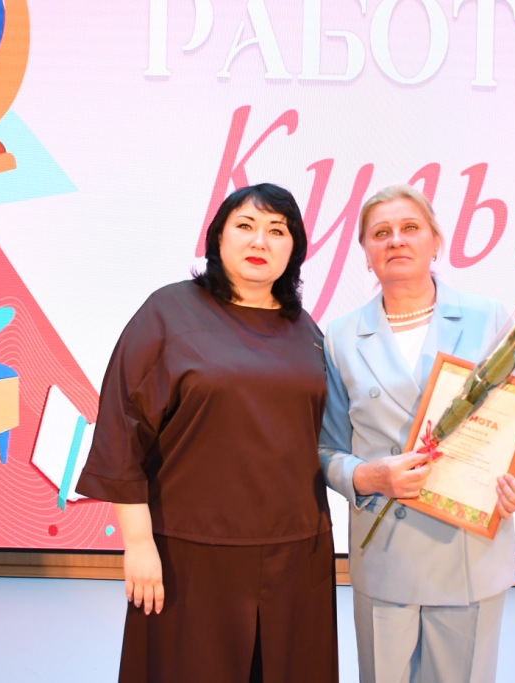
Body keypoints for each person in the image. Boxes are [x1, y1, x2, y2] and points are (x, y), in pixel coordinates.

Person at [76, 183, 337, 683]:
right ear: (218, 237)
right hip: (188, 553)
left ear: (294, 249)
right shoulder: (169, 312)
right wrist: (138, 543)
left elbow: (327, 434)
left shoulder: (305, 329)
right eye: (245, 226)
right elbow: (123, 429)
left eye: (277, 231)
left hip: (296, 554)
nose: (259, 241)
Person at [319, 184, 515, 683]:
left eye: (410, 228)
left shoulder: (489, 318)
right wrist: (368, 477)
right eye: (380, 233)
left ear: (435, 241)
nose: (396, 240)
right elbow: (326, 449)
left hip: (468, 551)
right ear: (365, 253)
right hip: (385, 553)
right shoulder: (339, 336)